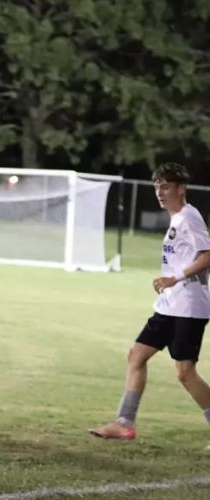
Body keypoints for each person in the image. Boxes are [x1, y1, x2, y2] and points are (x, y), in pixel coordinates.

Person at [90, 162, 210, 443]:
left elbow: (207, 256)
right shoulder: (176, 218)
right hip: (170, 305)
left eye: (166, 186)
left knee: (185, 373)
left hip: (189, 306)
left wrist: (174, 278)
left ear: (181, 189)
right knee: (137, 355)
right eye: (157, 186)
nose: (160, 191)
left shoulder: (189, 217)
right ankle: (124, 422)